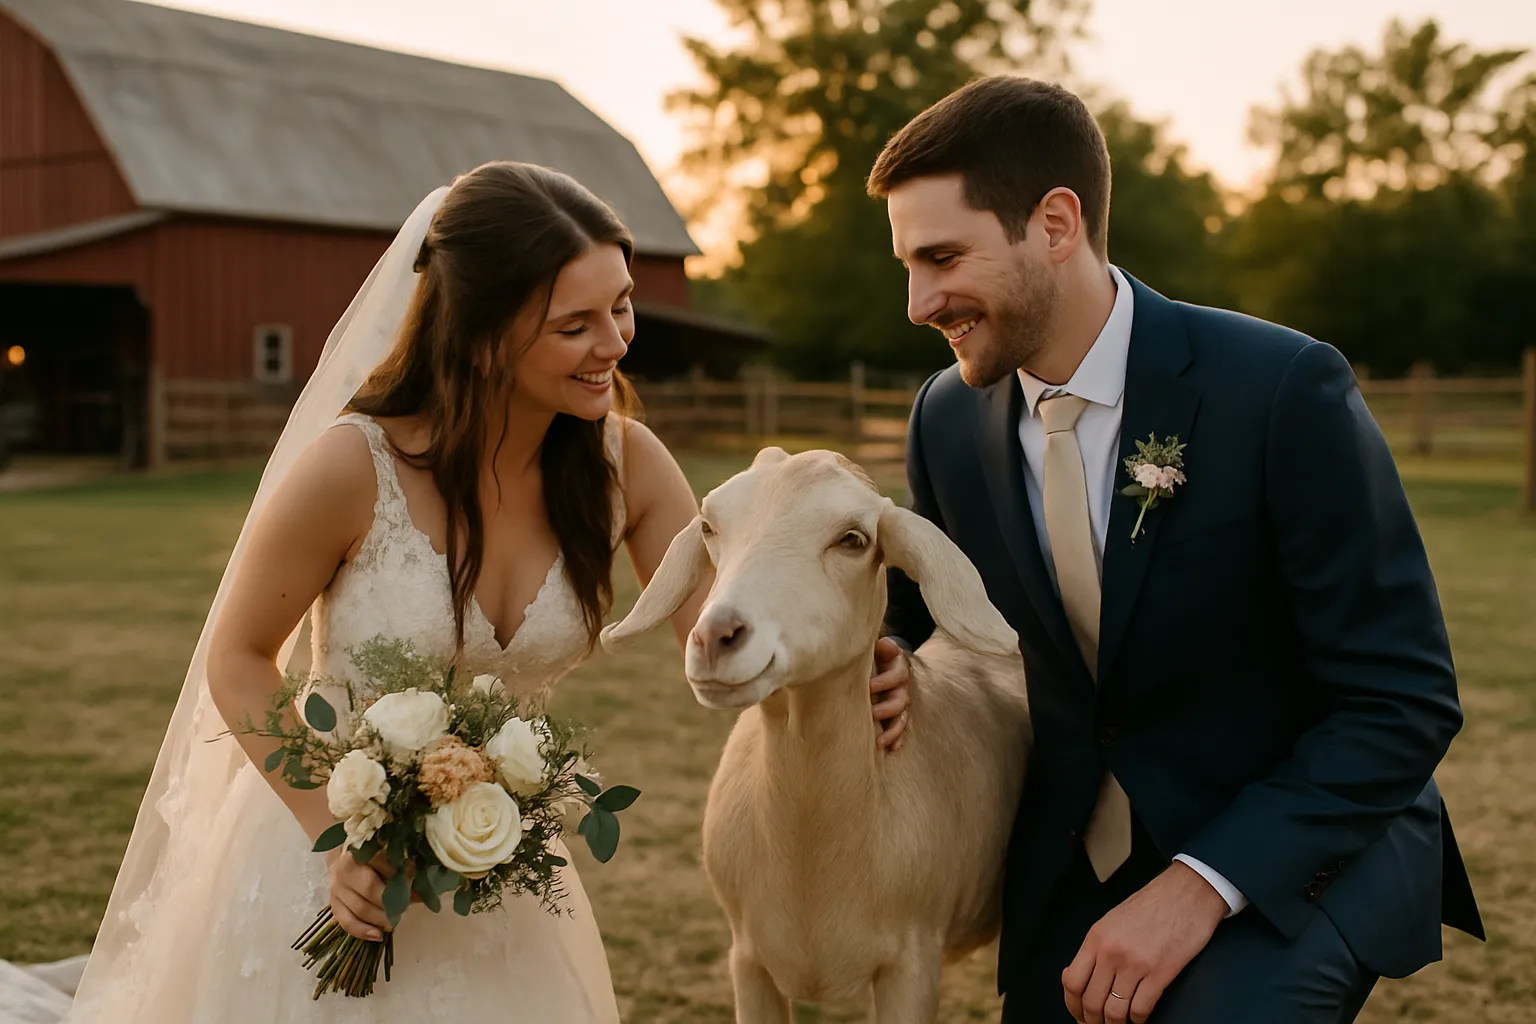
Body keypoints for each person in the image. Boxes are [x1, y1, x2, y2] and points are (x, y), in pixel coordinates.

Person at [61, 160, 900, 1022]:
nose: (614, 344)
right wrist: (338, 836)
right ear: (480, 332)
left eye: (620, 306)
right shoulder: (355, 467)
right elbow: (238, 659)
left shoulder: (630, 467)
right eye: (575, 324)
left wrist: (869, 661)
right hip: (321, 854)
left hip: (499, 870)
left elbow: (725, 630)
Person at [863, 77, 1484, 1024]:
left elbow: (1402, 700)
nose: (918, 302)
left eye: (944, 257)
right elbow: (921, 612)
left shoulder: (1280, 390)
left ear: (1057, 223)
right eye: (909, 264)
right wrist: (888, 660)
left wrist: (1201, 884)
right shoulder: (946, 418)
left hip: (1292, 851)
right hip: (1075, 858)